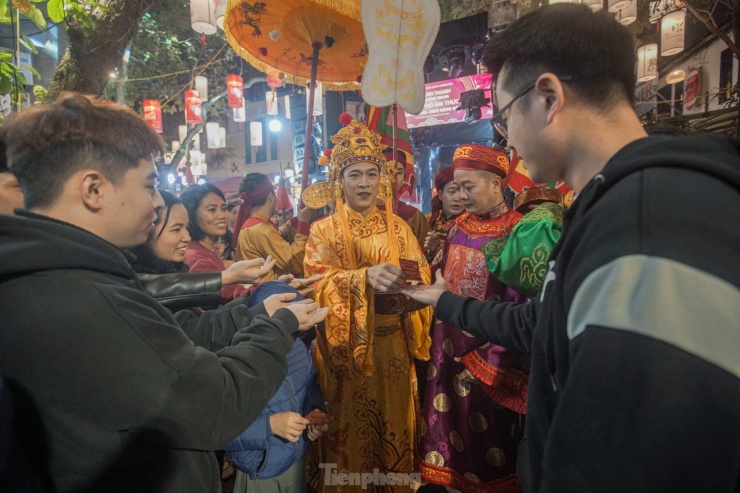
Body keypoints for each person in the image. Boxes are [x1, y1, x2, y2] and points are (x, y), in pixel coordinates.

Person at [403, 5, 740, 493]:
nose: (508, 139)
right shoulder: (610, 206)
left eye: (504, 117)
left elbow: (643, 450)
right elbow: (546, 322)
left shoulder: (649, 221)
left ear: (547, 97)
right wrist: (445, 301)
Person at [0, 92, 329, 493]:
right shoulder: (83, 301)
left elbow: (184, 332)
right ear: (93, 189)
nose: (157, 202)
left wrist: (256, 314)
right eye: (149, 185)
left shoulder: (57, 277)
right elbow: (217, 404)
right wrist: (278, 328)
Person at [304, 119, 433, 492]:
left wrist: (412, 288)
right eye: (354, 174)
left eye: (371, 173)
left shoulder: (400, 227)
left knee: (395, 430)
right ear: (339, 181)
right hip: (345, 356)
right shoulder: (322, 231)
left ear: (383, 178)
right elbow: (317, 285)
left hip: (393, 351)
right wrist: (362, 279)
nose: (364, 183)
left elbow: (418, 276)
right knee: (347, 438)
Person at [417, 144, 528, 492]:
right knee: (447, 435)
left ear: (496, 183)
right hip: (445, 351)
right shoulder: (457, 227)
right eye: (456, 187)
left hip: (486, 361)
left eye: (469, 187)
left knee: (490, 446)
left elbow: (520, 308)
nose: (460, 195)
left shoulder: (517, 232)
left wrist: (487, 362)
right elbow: (441, 277)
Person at [225, 281, 329, 493]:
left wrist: (314, 412)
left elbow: (309, 386)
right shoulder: (238, 362)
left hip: (294, 457)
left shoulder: (298, 349)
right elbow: (221, 430)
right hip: (259, 468)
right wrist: (269, 426)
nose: (286, 337)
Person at [233, 173, 311, 282]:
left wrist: (290, 225)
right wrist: (303, 223)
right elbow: (294, 262)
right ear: (270, 196)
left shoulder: (254, 224)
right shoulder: (260, 229)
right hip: (268, 293)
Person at [182, 183, 250, 303]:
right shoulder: (197, 258)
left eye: (224, 208)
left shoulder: (207, 248)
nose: (222, 215)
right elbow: (228, 294)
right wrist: (267, 289)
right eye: (212, 210)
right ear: (191, 214)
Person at [383, 149, 432, 248]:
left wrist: (432, 249)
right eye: (386, 171)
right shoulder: (361, 211)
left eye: (398, 173)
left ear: (404, 177)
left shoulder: (414, 216)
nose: (392, 178)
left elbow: (426, 257)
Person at [423, 166, 463, 265]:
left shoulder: (469, 224)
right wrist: (430, 252)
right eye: (452, 191)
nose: (457, 198)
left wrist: (436, 251)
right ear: (440, 194)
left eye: (462, 191)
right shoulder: (427, 221)